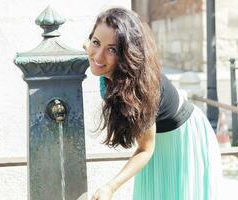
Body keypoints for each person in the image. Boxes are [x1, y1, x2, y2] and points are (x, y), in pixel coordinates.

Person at [84, 7, 222, 200]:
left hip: (183, 137)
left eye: (112, 49)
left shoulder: (137, 90)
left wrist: (110, 187)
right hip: (157, 138)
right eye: (96, 42)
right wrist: (91, 47)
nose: (98, 56)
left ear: (127, 53)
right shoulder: (100, 56)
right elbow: (91, 49)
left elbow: (145, 148)